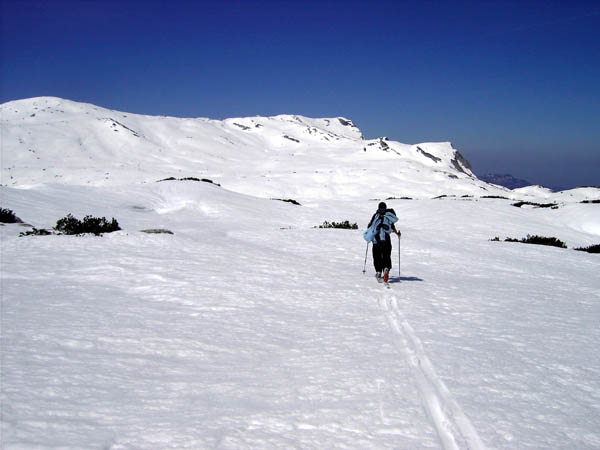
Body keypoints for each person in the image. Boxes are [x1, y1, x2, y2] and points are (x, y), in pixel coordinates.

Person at [363, 201, 401, 283]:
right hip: (386, 238)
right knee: (386, 254)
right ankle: (386, 268)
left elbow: (370, 225)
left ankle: (379, 271)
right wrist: (397, 233)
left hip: (376, 239)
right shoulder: (388, 217)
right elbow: (392, 227)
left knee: (376, 255)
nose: (382, 210)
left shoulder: (376, 216)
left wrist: (370, 232)